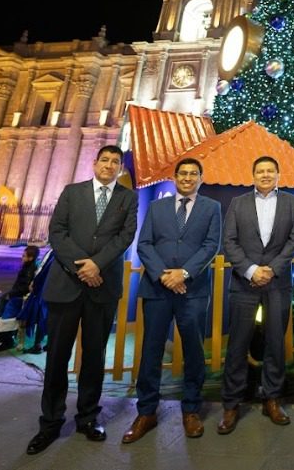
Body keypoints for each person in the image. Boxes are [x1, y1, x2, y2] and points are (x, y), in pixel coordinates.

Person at [27, 145, 138, 456]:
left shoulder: (128, 198)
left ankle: (88, 417)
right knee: (57, 356)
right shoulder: (72, 192)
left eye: (115, 161)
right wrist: (82, 266)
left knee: (94, 356)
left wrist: (97, 265)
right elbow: (57, 232)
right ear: (95, 163)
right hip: (67, 284)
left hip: (102, 287)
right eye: (105, 160)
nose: (109, 165)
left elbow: (125, 237)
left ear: (120, 168)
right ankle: (50, 421)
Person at [123, 157, 222, 444]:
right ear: (175, 177)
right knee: (151, 350)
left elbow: (210, 245)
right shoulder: (156, 207)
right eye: (183, 173)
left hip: (192, 290)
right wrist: (163, 275)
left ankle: (191, 409)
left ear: (200, 178)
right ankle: (146, 411)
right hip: (157, 288)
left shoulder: (212, 208)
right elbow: (144, 244)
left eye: (194, 174)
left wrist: (184, 274)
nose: (188, 178)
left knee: (193, 351)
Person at [216, 155, 294, 435]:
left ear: (278, 174)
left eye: (270, 171)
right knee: (238, 345)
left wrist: (272, 269)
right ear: (253, 175)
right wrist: (251, 270)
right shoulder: (238, 203)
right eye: (260, 171)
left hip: (277, 283)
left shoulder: (292, 202)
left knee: (275, 343)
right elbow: (228, 241)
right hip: (244, 283)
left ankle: (273, 399)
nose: (265, 175)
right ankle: (231, 404)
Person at [0, 245, 41, 352]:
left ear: (30, 258)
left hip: (22, 296)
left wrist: (12, 293)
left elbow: (25, 286)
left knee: (8, 304)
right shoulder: (28, 267)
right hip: (19, 293)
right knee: (4, 300)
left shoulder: (30, 269)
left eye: (24, 256)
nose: (22, 258)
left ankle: (3, 333)